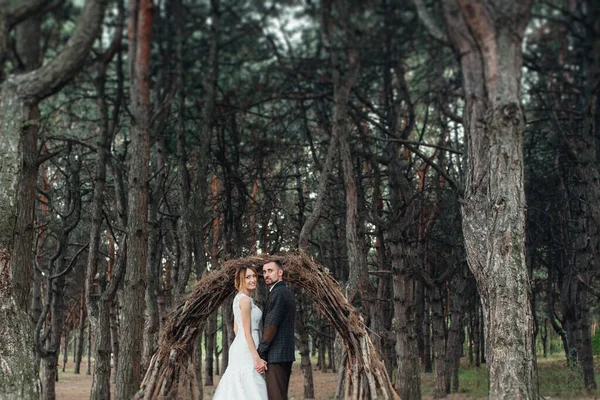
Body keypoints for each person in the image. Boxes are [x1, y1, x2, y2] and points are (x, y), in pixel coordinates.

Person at [212, 265, 268, 400]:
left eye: (254, 276)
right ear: (241, 280)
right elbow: (247, 332)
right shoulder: (245, 300)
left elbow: (237, 329)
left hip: (240, 345)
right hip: (246, 348)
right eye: (248, 277)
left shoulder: (239, 298)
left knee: (240, 387)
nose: (253, 280)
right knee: (249, 384)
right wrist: (257, 357)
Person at [257, 260, 296, 400]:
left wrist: (260, 352)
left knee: (276, 397)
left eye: (270, 271)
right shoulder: (283, 291)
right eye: (264, 271)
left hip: (277, 355)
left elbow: (271, 327)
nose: (266, 274)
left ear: (280, 273)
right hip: (282, 355)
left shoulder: (278, 293)